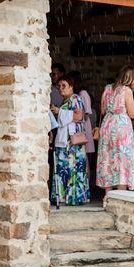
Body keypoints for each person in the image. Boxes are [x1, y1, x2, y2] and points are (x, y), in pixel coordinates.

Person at [96, 66, 134, 192]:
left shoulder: (107, 88)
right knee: (122, 158)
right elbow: (133, 113)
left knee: (107, 159)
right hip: (121, 126)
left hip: (107, 125)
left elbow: (102, 110)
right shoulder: (126, 90)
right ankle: (120, 194)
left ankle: (107, 196)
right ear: (131, 79)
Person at [50, 75, 90, 206]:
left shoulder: (75, 98)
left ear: (71, 87)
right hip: (65, 140)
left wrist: (59, 111)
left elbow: (79, 116)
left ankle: (74, 197)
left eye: (64, 86)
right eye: (59, 86)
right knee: (65, 168)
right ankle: (66, 196)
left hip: (71, 141)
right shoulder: (66, 100)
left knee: (72, 167)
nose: (61, 89)